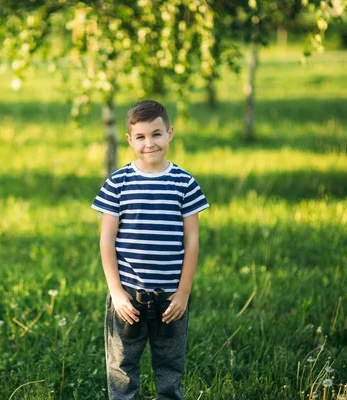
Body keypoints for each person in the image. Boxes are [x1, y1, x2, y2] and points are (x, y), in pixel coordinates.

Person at [91, 100, 209, 399]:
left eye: (156, 134)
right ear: (130, 140)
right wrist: (116, 293)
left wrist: (182, 293)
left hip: (170, 298)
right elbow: (106, 241)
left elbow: (191, 242)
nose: (149, 143)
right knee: (122, 367)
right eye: (141, 137)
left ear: (170, 133)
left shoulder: (184, 183)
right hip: (128, 295)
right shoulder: (118, 182)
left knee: (170, 366)